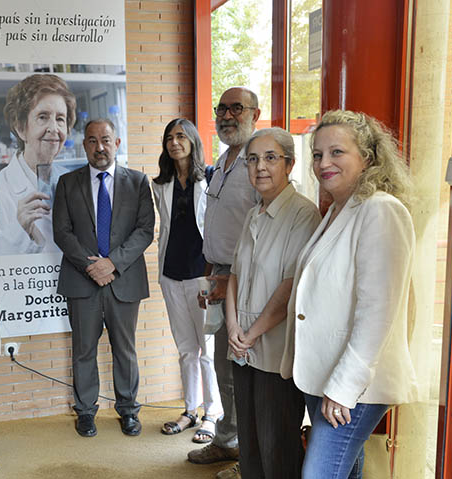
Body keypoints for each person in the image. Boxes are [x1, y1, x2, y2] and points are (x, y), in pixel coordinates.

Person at [281, 110, 418, 478]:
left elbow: (378, 312)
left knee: (319, 473)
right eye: (317, 154)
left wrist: (343, 387)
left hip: (355, 382)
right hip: (324, 371)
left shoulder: (381, 210)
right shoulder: (340, 210)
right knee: (346, 469)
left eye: (337, 152)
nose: (324, 163)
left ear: (368, 158)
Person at [224, 128, 320, 478]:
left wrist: (251, 334)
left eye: (270, 158)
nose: (260, 167)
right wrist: (234, 328)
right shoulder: (254, 213)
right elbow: (233, 275)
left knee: (276, 447)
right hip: (243, 348)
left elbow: (290, 288)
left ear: (290, 164)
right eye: (252, 159)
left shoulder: (303, 215)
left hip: (276, 354)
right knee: (248, 445)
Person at [52, 118, 154, 438]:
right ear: (84, 145)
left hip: (124, 280)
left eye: (106, 140)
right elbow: (62, 232)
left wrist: (112, 264)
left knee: (125, 349)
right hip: (82, 282)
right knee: (83, 349)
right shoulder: (68, 183)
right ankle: (85, 412)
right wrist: (91, 266)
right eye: (93, 141)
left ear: (117, 143)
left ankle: (128, 410)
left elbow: (144, 231)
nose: (100, 147)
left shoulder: (138, 182)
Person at [187, 87, 260, 479]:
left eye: (237, 108)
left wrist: (229, 276)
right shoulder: (224, 158)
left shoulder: (256, 160)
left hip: (245, 279)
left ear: (255, 113)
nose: (227, 115)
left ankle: (248, 459)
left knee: (244, 371)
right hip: (219, 273)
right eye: (222, 108)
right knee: (222, 367)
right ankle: (227, 440)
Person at [152, 118, 223, 441]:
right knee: (185, 349)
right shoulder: (160, 183)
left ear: (193, 140)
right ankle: (190, 410)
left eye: (181, 136)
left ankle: (213, 413)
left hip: (203, 274)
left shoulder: (210, 178)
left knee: (206, 348)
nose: (175, 142)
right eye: (170, 137)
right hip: (171, 273)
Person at [0, 73, 77, 254]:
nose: (54, 128)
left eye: (60, 119)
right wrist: (20, 229)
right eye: (43, 117)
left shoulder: (72, 182)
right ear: (20, 128)